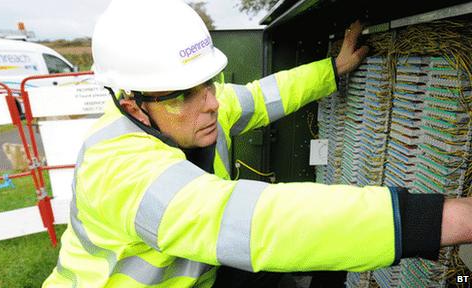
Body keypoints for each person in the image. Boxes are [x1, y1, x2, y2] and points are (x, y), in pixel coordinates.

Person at [43, 0, 472, 287]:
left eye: (208, 82)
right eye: (183, 94)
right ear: (131, 104)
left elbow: (263, 96)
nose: (211, 103)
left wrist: (333, 69)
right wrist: (440, 218)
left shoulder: (194, 109)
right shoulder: (117, 170)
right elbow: (258, 224)